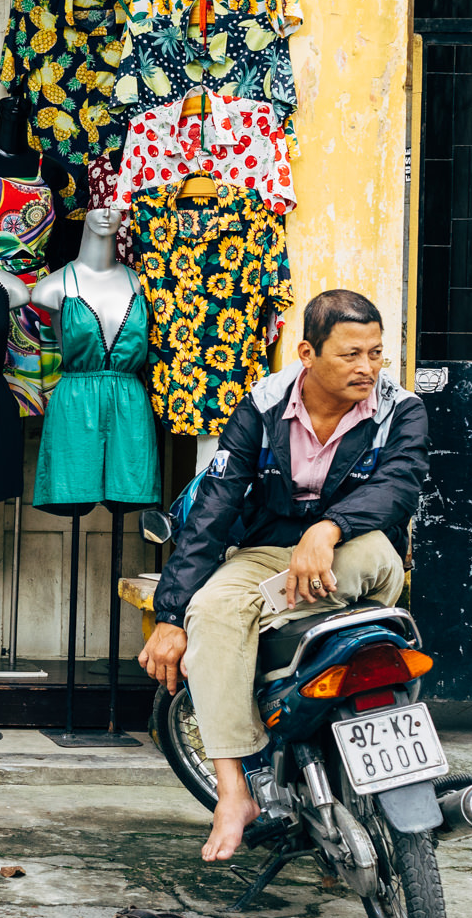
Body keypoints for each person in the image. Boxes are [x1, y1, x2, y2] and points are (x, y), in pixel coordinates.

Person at [138, 290, 429, 861]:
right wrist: (173, 615)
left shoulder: (402, 410)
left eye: (375, 353)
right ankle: (234, 790)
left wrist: (328, 529)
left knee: (230, 626)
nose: (367, 368)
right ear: (306, 352)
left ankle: (241, 637)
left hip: (360, 555)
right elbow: (214, 510)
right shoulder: (261, 407)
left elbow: (400, 485)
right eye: (350, 354)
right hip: (269, 555)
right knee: (212, 612)